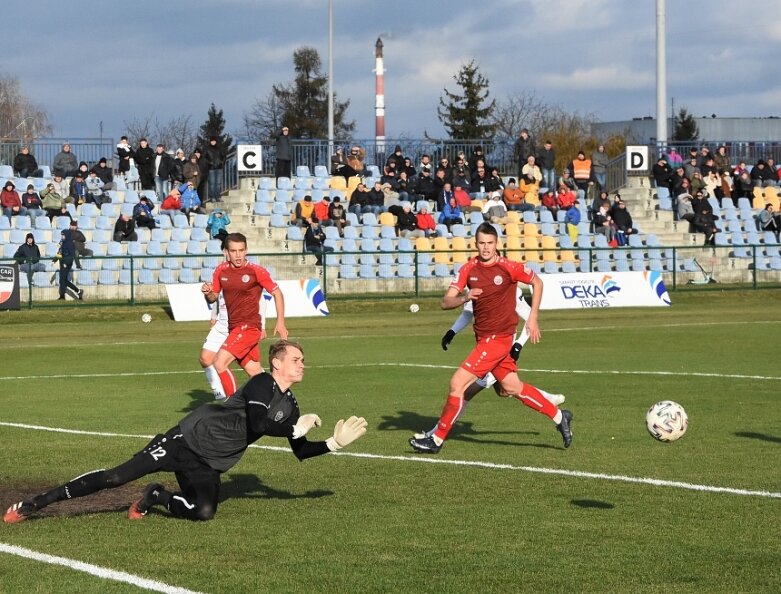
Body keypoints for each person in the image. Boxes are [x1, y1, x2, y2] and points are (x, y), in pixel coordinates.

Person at [4, 340, 368, 524]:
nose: (302, 364)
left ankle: (157, 496)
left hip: (210, 462)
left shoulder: (292, 407)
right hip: (185, 440)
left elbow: (300, 451)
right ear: (276, 363)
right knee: (116, 476)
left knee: (204, 512)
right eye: (296, 359)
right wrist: (292, 427)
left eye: (302, 360)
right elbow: (259, 425)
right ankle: (36, 503)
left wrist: (333, 444)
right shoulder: (261, 384)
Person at [408, 223, 572, 453]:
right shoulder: (468, 269)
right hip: (484, 339)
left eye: (490, 243)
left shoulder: (508, 267)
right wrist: (466, 297)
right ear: (476, 244)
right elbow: (446, 302)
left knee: (457, 384)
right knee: (512, 388)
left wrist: (533, 317)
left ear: (497, 244)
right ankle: (558, 416)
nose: (486, 248)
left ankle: (436, 440)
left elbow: (537, 282)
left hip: (498, 340)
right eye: (482, 243)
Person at [414, 288, 566, 441]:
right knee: (505, 390)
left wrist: (518, 345)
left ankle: (435, 435)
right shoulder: (477, 281)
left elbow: (529, 317)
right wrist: (452, 331)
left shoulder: (507, 286)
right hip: (487, 349)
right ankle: (551, 404)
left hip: (498, 351)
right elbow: (468, 312)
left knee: (465, 391)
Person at [201, 233, 287, 398]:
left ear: (246, 250)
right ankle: (279, 400)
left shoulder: (256, 271)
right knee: (254, 371)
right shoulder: (221, 270)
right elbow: (213, 298)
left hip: (249, 327)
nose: (238, 255)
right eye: (233, 251)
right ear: (227, 252)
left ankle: (232, 408)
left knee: (219, 363)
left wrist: (280, 321)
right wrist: (208, 292)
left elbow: (277, 293)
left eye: (241, 250)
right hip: (234, 328)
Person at [53, 229, 83, 300]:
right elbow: (59, 252)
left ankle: (78, 291)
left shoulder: (70, 244)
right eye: (61, 234)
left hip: (67, 264)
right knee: (62, 280)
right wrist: (55, 260)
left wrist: (66, 263)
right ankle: (63, 296)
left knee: (64, 280)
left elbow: (72, 255)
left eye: (63, 235)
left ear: (66, 235)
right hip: (62, 263)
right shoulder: (62, 242)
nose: (62, 236)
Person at [204, 136, 225, 201]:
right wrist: (209, 163)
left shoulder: (220, 149)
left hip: (219, 168)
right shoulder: (207, 149)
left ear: (216, 141)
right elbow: (204, 158)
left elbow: (224, 157)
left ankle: (218, 196)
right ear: (210, 142)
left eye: (214, 141)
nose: (213, 142)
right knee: (212, 184)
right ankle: (212, 197)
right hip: (211, 168)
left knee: (218, 183)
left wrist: (222, 163)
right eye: (212, 141)